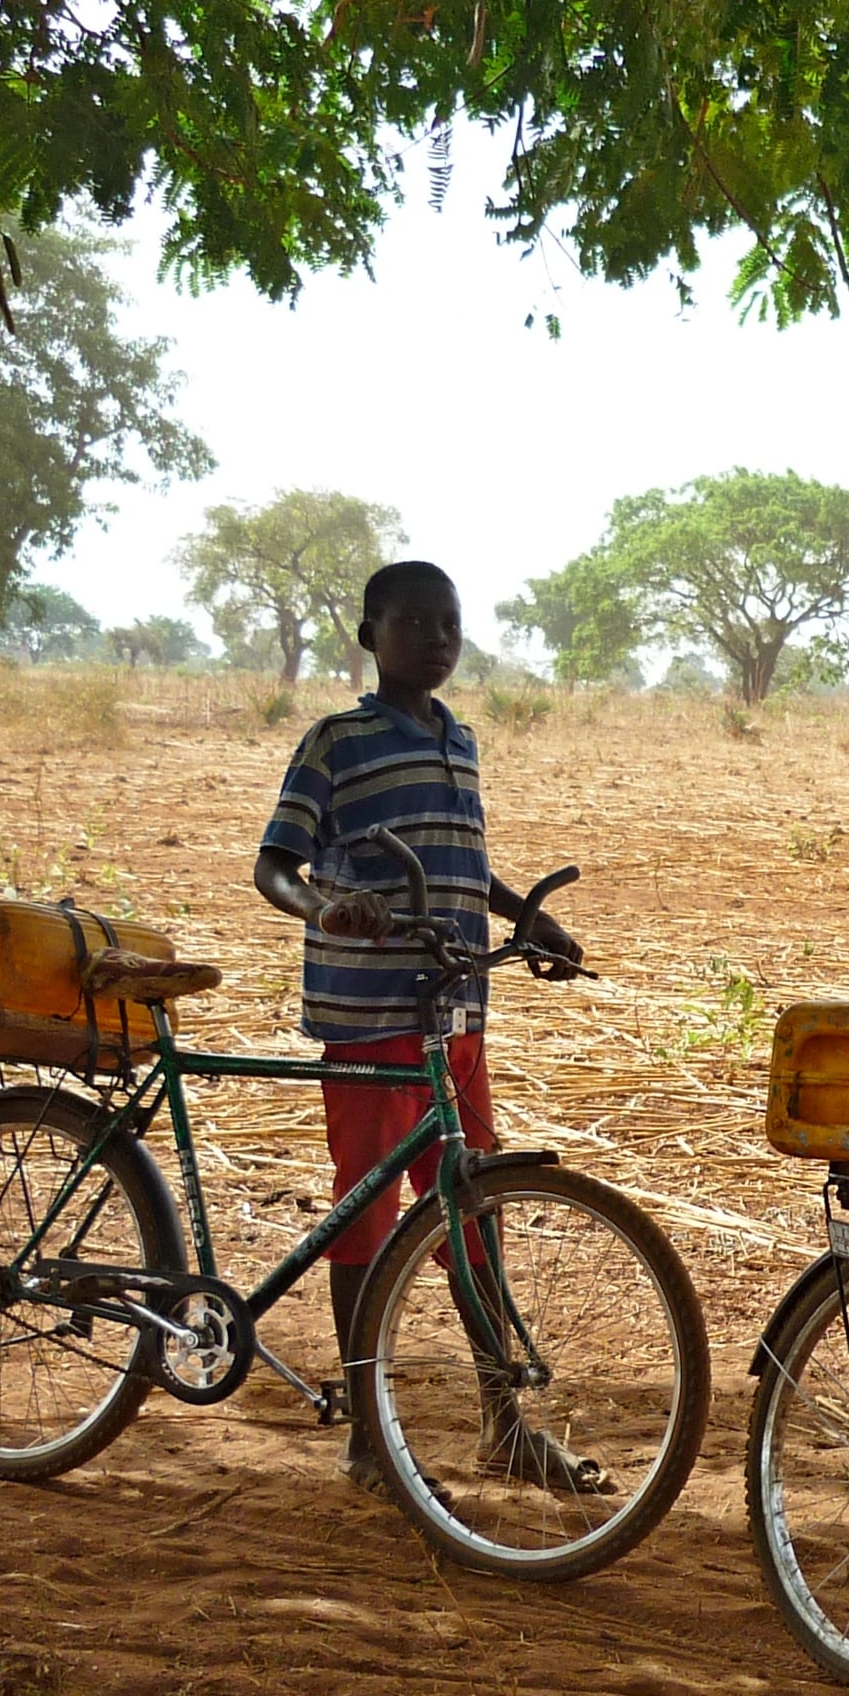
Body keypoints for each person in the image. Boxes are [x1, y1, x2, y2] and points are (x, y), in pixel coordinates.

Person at [253, 560, 584, 1487]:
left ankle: (502, 1422)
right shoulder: (337, 741)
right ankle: (367, 1439)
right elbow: (275, 865)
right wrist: (320, 908)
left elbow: (462, 865)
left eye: (450, 622)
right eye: (414, 622)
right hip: (370, 1020)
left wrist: (526, 918)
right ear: (369, 636)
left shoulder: (460, 741)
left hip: (456, 1013)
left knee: (474, 1212)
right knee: (367, 1221)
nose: (437, 638)